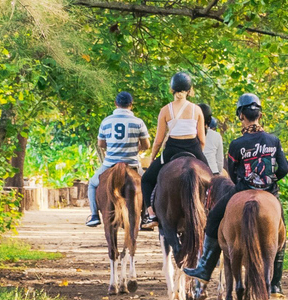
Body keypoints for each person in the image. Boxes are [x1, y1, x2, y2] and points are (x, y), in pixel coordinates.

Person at [184, 93, 288, 296]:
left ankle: (204, 268)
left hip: (242, 190)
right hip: (269, 192)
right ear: (260, 114)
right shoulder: (273, 140)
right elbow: (283, 168)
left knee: (214, 218)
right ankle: (275, 283)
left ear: (241, 115)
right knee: (281, 233)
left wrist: (245, 181)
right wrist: (270, 179)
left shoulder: (237, 144)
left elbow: (232, 172)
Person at [140, 72, 209, 229]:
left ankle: (151, 215)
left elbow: (158, 140)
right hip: (194, 148)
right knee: (212, 181)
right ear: (189, 89)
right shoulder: (196, 110)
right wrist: (198, 156)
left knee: (146, 180)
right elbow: (202, 140)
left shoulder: (165, 110)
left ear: (172, 89)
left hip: (171, 150)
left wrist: (152, 158)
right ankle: (209, 211)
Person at [86, 91, 150, 227]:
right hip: (132, 164)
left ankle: (94, 215)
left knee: (92, 184)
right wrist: (135, 148)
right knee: (147, 184)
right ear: (131, 105)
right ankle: (146, 215)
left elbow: (101, 144)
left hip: (110, 164)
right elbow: (146, 145)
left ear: (116, 104)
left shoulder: (106, 121)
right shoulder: (138, 122)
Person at [199, 103, 224, 175]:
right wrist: (219, 172)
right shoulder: (216, 136)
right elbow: (219, 161)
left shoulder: (191, 135)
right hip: (213, 171)